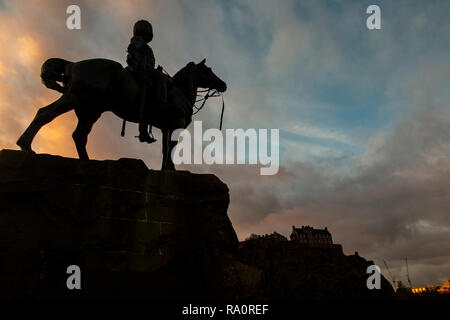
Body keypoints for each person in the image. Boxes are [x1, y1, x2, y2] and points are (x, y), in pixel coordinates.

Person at [126, 20, 167, 144]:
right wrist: (138, 63)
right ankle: (161, 103)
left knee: (160, 77)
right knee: (161, 79)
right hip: (142, 71)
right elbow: (132, 50)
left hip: (146, 70)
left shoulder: (142, 43)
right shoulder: (138, 40)